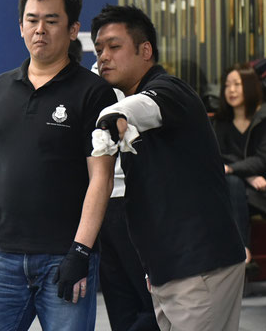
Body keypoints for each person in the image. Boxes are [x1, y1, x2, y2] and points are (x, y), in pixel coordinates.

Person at [0, 0, 116, 331]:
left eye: (51, 21)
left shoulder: (94, 93)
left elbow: (100, 179)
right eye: (32, 20)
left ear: (72, 29)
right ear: (20, 26)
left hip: (65, 256)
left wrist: (81, 251)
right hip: (4, 257)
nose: (40, 29)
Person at [90, 4, 246, 331]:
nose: (104, 56)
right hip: (168, 270)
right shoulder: (133, 99)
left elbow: (145, 106)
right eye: (99, 48)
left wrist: (113, 116)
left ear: (145, 50)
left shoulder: (171, 91)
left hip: (199, 269)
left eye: (114, 46)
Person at [92, 60, 159, 331]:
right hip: (121, 200)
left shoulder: (91, 78)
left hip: (103, 201)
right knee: (148, 302)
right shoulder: (126, 75)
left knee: (125, 301)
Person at [213, 66, 266, 263]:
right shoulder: (221, 121)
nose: (231, 90)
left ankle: (240, 252)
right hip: (239, 185)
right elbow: (217, 156)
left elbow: (264, 159)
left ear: (250, 86)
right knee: (232, 187)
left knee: (230, 194)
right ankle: (242, 251)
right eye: (227, 85)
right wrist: (247, 175)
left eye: (237, 84)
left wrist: (234, 168)